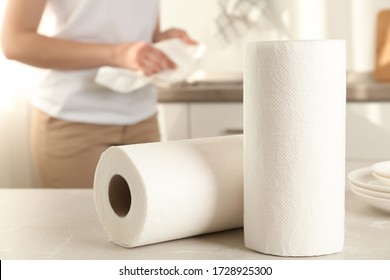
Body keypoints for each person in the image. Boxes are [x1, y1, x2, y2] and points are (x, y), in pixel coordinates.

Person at [1, 0, 196, 188]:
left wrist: (160, 42)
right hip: (73, 121)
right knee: (84, 220)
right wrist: (117, 54)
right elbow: (15, 42)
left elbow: (135, 28)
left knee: (150, 217)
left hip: (142, 119)